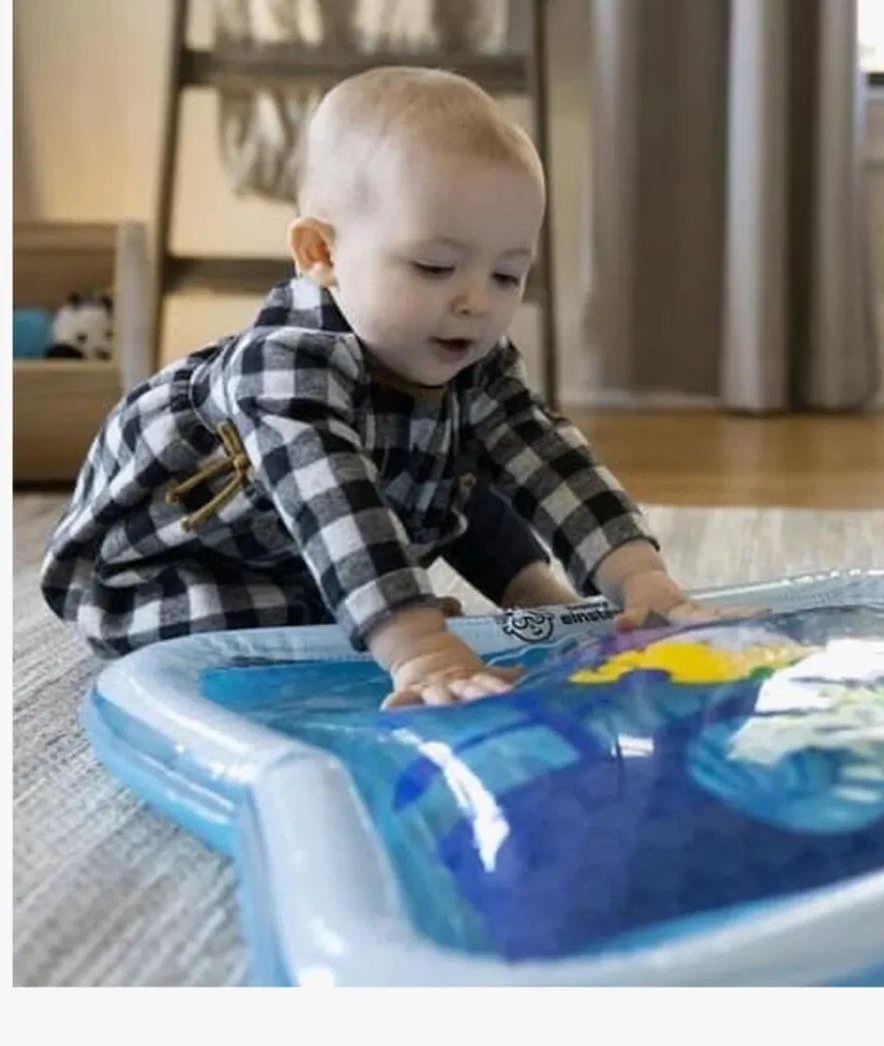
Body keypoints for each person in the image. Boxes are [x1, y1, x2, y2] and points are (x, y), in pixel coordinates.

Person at [42, 67, 719, 709]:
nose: (477, 302)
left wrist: (640, 578)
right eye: (435, 266)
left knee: (458, 453)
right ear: (322, 254)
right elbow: (339, 511)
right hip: (167, 576)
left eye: (507, 275)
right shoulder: (284, 368)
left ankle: (522, 591)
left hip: (310, 543)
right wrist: (421, 646)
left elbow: (547, 457)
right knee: (298, 635)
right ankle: (383, 619)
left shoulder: (467, 354)